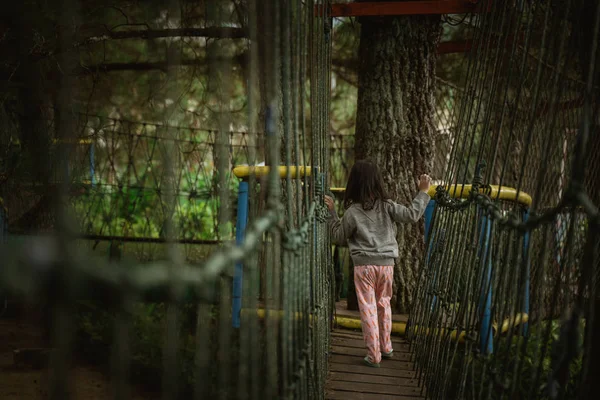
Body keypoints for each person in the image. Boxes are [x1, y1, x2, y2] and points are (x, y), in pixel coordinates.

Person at [324, 160, 431, 368]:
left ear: (353, 184)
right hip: (386, 266)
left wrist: (331, 213)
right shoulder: (388, 206)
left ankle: (374, 355)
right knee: (384, 304)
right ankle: (386, 346)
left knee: (368, 308)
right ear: (377, 182)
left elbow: (337, 236)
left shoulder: (353, 212)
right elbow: (412, 215)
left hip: (364, 267)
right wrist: (423, 192)